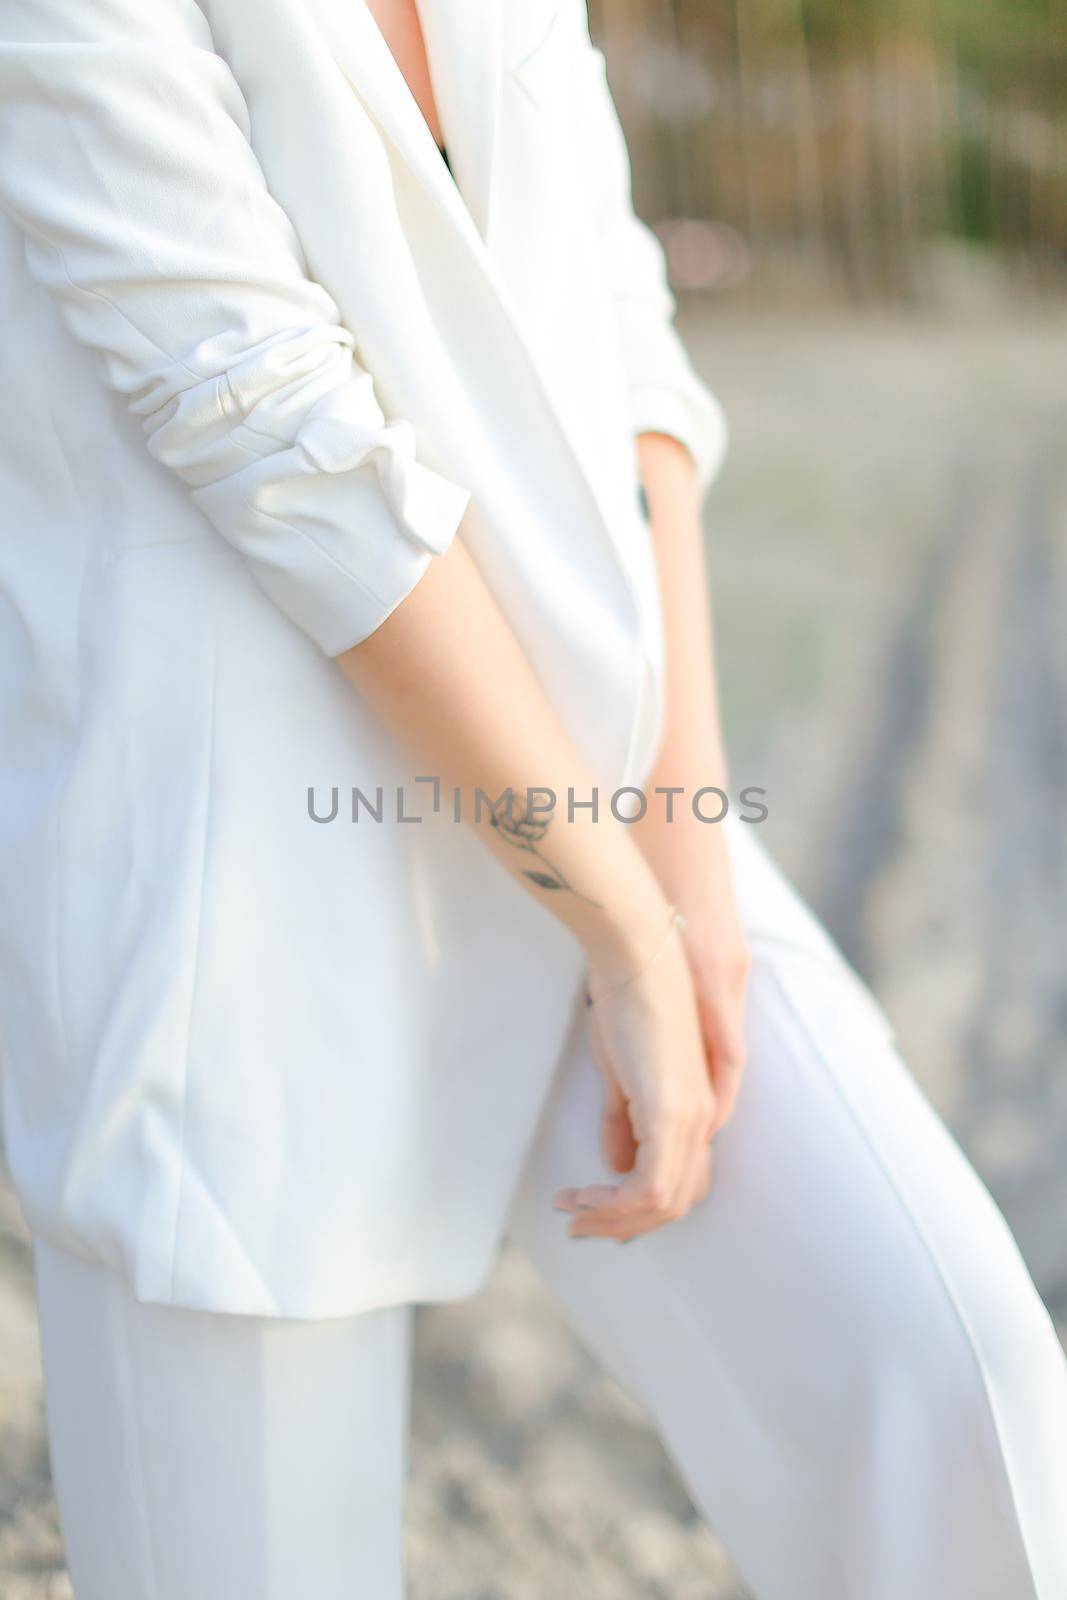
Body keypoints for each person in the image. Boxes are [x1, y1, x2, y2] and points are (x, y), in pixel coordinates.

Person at [0, 0, 1064, 1595]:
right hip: (242, 892)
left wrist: (681, 852)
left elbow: (620, 311)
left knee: (950, 1372)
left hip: (607, 804)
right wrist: (625, 924)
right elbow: (262, 414)